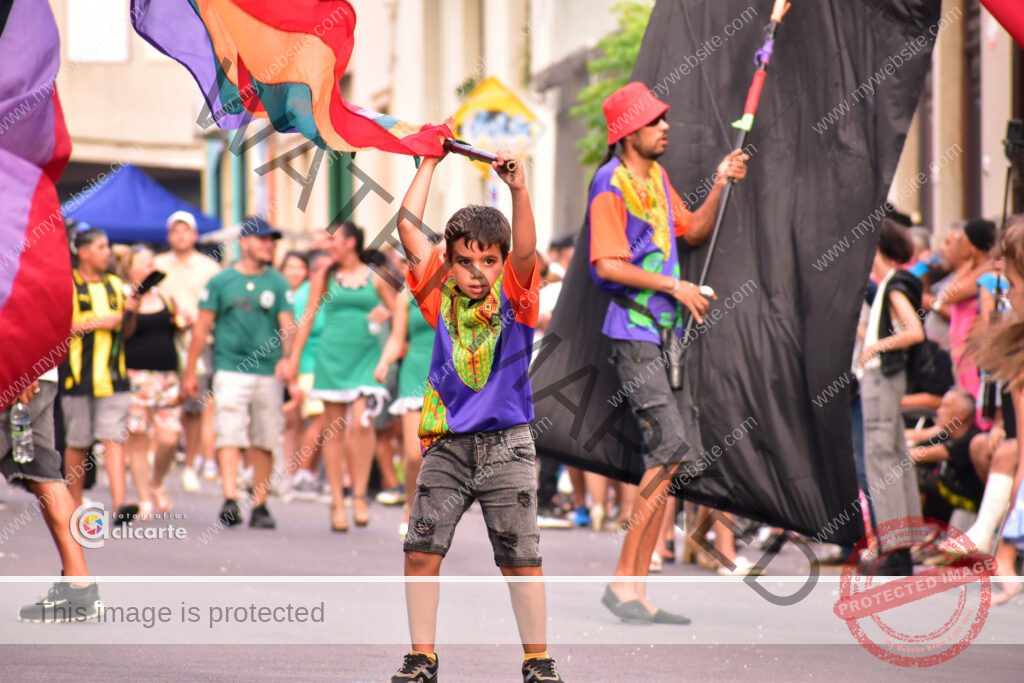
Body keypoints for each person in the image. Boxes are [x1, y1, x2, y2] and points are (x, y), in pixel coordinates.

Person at [387, 141, 563, 682]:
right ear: (449, 262)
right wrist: (429, 161)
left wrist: (518, 188)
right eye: (465, 261)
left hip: (508, 445)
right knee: (421, 549)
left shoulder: (518, 298)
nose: (477, 271)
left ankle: (537, 660)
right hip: (447, 445)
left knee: (519, 557)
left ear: (503, 263)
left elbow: (527, 249)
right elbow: (407, 228)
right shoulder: (436, 296)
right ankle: (422, 657)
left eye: (489, 260)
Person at [587, 82, 748, 623]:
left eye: (663, 119)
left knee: (670, 456)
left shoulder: (656, 177)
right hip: (633, 333)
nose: (665, 127)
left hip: (665, 335)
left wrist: (721, 181)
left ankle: (632, 588)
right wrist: (675, 286)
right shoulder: (609, 182)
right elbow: (607, 264)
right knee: (669, 449)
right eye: (654, 121)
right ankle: (623, 583)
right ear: (627, 132)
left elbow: (694, 230)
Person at [182, 216, 293, 529]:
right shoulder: (221, 281)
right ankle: (230, 498)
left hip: (268, 369)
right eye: (263, 239)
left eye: (272, 240)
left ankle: (260, 503)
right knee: (229, 430)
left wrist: (288, 359)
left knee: (265, 435)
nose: (269, 245)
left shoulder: (278, 282)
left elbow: (288, 325)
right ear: (244, 243)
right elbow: (202, 326)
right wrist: (190, 371)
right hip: (230, 367)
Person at [283, 222, 395, 532]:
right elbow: (307, 317)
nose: (328, 245)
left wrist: (385, 314)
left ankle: (358, 495)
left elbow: (397, 308)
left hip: (366, 358)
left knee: (362, 422)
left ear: (350, 243)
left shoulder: (375, 277)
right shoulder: (325, 275)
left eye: (333, 239)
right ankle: (336, 501)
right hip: (331, 357)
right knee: (333, 430)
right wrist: (294, 358)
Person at [4, 372, 103, 622]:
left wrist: (22, 367)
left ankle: (79, 587)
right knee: (42, 473)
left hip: (15, 371)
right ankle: (79, 587)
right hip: (35, 374)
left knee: (43, 474)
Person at [856, 220, 925, 575]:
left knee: (882, 459)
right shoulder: (889, 285)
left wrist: (877, 346)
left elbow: (914, 331)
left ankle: (894, 548)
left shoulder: (893, 284)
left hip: (883, 379)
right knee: (892, 457)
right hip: (884, 379)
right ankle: (899, 546)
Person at [61, 229, 134, 522]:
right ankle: (73, 503)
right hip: (77, 376)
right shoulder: (67, 285)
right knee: (78, 441)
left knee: (113, 438)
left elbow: (127, 332)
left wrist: (130, 314)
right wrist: (98, 322)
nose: (107, 252)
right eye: (101, 247)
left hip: (113, 376)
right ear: (83, 252)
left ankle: (120, 503)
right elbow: (57, 329)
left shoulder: (115, 285)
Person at [154, 210, 221, 493]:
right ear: (169, 236)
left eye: (185, 231)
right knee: (162, 401)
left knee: (194, 405)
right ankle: (161, 458)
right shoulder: (158, 265)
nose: (181, 236)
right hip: (163, 339)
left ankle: (191, 464)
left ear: (194, 235)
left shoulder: (208, 267)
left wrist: (196, 318)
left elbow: (216, 307)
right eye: (176, 231)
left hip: (198, 341)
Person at [375, 250, 436, 541]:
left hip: (451, 375)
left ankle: (435, 514)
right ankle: (410, 509)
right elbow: (397, 337)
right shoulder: (407, 294)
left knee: (441, 457)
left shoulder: (458, 289)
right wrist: (384, 362)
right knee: (414, 454)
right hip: (414, 374)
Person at [121, 247, 183, 517]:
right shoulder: (123, 295)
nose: (150, 269)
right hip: (134, 375)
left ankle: (156, 480)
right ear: (131, 269)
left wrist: (182, 321)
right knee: (138, 437)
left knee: (170, 436)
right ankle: (144, 497)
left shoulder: (165, 295)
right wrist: (130, 309)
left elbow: (177, 326)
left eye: (151, 263)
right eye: (144, 264)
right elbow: (123, 333)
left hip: (165, 376)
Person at [929, 219, 996, 401]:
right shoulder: (975, 270)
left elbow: (948, 295)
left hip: (970, 350)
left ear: (972, 246)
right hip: (959, 349)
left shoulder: (986, 273)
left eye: (962, 241)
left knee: (972, 398)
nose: (959, 246)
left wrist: (972, 264)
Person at [908, 388, 984, 524]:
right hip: (947, 499)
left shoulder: (971, 438)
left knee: (917, 475)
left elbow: (917, 454)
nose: (938, 411)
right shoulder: (945, 435)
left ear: (962, 414)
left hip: (969, 507)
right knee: (914, 473)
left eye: (945, 406)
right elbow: (914, 449)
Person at [289, 250, 330, 499]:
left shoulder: (330, 292)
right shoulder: (304, 294)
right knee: (319, 419)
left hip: (326, 366)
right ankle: (303, 473)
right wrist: (292, 369)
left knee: (325, 421)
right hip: (309, 366)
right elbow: (295, 332)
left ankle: (312, 473)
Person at [279, 251, 311, 472]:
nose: (295, 272)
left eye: (300, 267)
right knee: (288, 419)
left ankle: (293, 470)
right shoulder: (279, 292)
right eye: (290, 267)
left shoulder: (307, 294)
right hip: (277, 360)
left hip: (302, 362)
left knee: (296, 420)